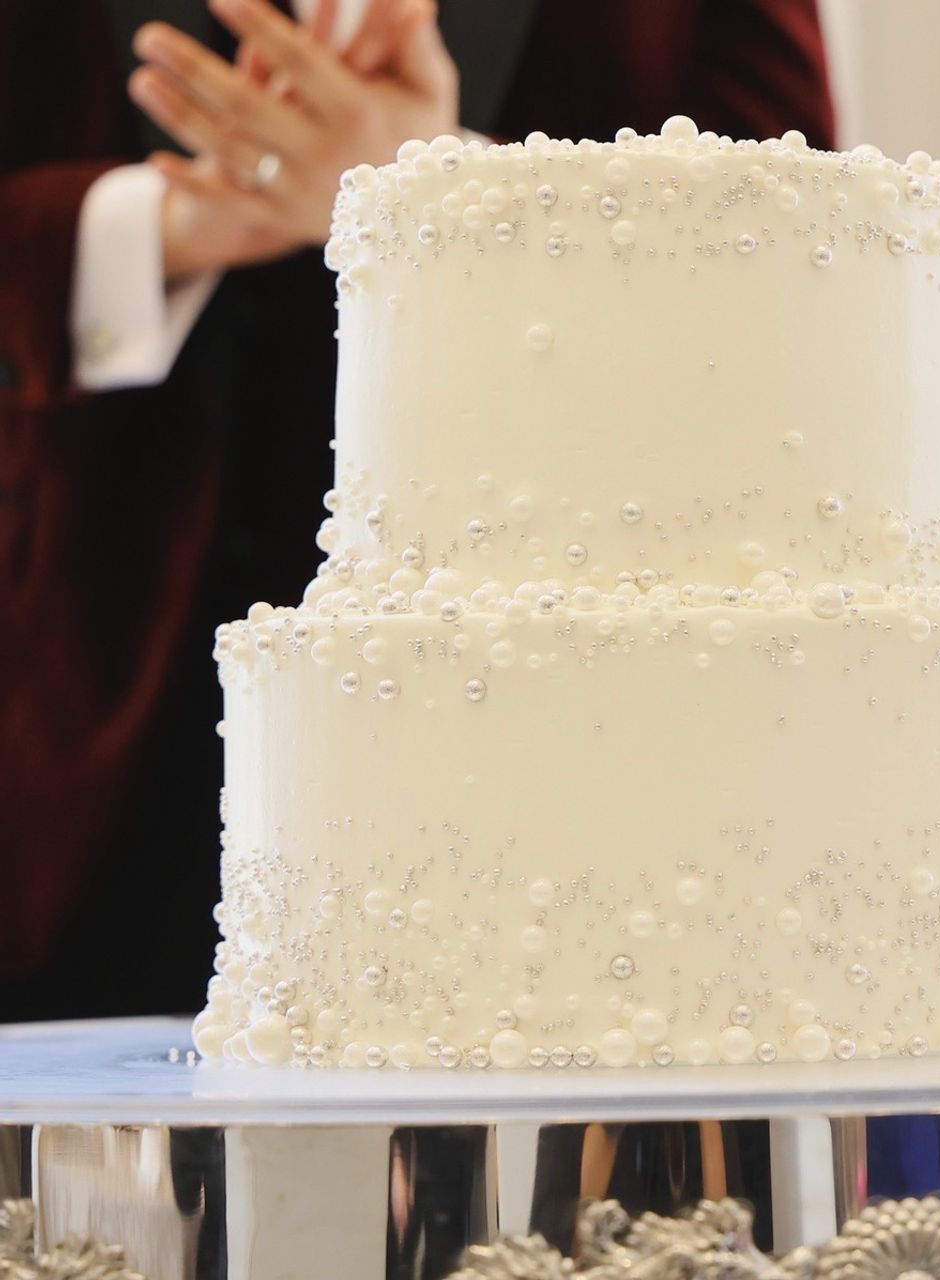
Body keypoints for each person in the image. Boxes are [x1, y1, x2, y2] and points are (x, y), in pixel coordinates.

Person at [0, 0, 836, 1019]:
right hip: (72, 764)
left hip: (563, 773)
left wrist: (452, 192)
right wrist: (162, 226)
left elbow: (799, 260)